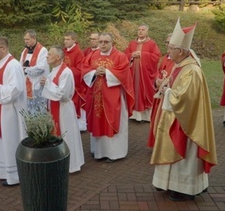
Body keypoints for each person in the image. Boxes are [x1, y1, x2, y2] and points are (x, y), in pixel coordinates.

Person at [150, 19, 217, 201]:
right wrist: (165, 86)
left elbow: (185, 98)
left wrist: (167, 91)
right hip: (175, 116)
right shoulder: (180, 66)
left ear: (180, 51)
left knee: (184, 155)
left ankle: (184, 188)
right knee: (170, 147)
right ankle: (167, 183)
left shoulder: (192, 71)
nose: (168, 51)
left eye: (171, 48)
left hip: (187, 122)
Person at [81, 33, 134, 162]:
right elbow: (84, 69)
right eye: (101, 42)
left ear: (112, 43)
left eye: (106, 42)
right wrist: (94, 72)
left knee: (112, 121)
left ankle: (114, 153)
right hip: (96, 97)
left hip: (114, 98)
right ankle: (98, 151)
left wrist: (107, 72)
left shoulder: (120, 56)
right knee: (97, 121)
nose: (103, 44)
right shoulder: (92, 55)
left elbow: (124, 73)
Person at [0, 37, 27, 186]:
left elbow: (15, 89)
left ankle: (14, 176)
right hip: (2, 110)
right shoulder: (1, 64)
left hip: (10, 112)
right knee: (2, 140)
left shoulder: (13, 65)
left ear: (3, 49)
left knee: (10, 140)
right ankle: (2, 171)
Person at [41, 46, 85, 173]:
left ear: (58, 57)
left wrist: (47, 84)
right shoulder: (53, 70)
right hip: (54, 108)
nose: (47, 56)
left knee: (67, 135)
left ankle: (71, 164)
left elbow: (63, 94)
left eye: (50, 54)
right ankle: (58, 160)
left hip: (63, 109)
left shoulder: (66, 72)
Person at [124, 24, 161, 122]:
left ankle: (145, 116)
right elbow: (124, 56)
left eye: (143, 30)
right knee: (133, 91)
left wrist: (143, 55)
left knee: (144, 93)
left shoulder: (152, 43)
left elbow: (156, 57)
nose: (140, 31)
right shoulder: (132, 43)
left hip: (145, 76)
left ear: (147, 32)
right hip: (132, 74)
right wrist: (131, 55)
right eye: (139, 30)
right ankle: (133, 115)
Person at [147, 33, 175, 148]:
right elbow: (158, 72)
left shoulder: (179, 61)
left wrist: (168, 83)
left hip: (170, 96)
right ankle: (157, 144)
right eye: (167, 42)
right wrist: (157, 80)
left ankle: (166, 146)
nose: (168, 45)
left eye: (170, 43)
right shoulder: (164, 59)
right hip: (161, 95)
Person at [19, 29, 49, 113]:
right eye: (25, 39)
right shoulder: (25, 51)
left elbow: (40, 68)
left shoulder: (43, 51)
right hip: (26, 84)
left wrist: (26, 69)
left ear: (34, 38)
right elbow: (20, 64)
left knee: (38, 110)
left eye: (27, 39)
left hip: (37, 84)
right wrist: (23, 69)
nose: (26, 41)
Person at [63, 31, 86, 131]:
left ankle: (80, 125)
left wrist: (67, 71)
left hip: (76, 85)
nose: (65, 41)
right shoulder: (63, 51)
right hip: (65, 82)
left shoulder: (78, 53)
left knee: (77, 104)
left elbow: (80, 69)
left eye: (68, 39)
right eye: (65, 39)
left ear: (74, 40)